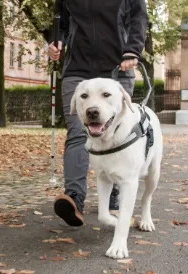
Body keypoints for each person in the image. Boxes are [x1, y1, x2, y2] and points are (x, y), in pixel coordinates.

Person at [48, 0, 148, 227]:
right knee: (77, 132)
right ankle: (73, 199)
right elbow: (61, 24)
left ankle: (114, 193)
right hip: (77, 70)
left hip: (117, 68)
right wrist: (55, 43)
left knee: (116, 133)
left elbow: (138, 18)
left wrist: (132, 49)